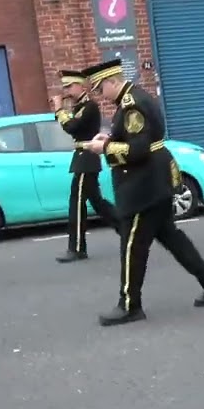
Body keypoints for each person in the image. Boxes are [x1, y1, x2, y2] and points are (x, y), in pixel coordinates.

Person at [82, 58, 204, 326]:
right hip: (154, 181)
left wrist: (104, 148)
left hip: (142, 186)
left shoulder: (131, 105)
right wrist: (111, 139)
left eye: (101, 89)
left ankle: (129, 304)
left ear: (113, 81)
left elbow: (138, 149)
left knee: (132, 247)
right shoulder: (134, 98)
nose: (100, 96)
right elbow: (139, 140)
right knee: (172, 238)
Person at [52, 69, 120, 263]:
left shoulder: (90, 106)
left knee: (77, 204)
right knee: (98, 203)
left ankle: (77, 248)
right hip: (82, 158)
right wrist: (63, 111)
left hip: (87, 158)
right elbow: (72, 127)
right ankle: (126, 228)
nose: (66, 90)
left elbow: (72, 127)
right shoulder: (78, 106)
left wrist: (59, 110)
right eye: (64, 87)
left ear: (81, 86)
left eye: (69, 86)